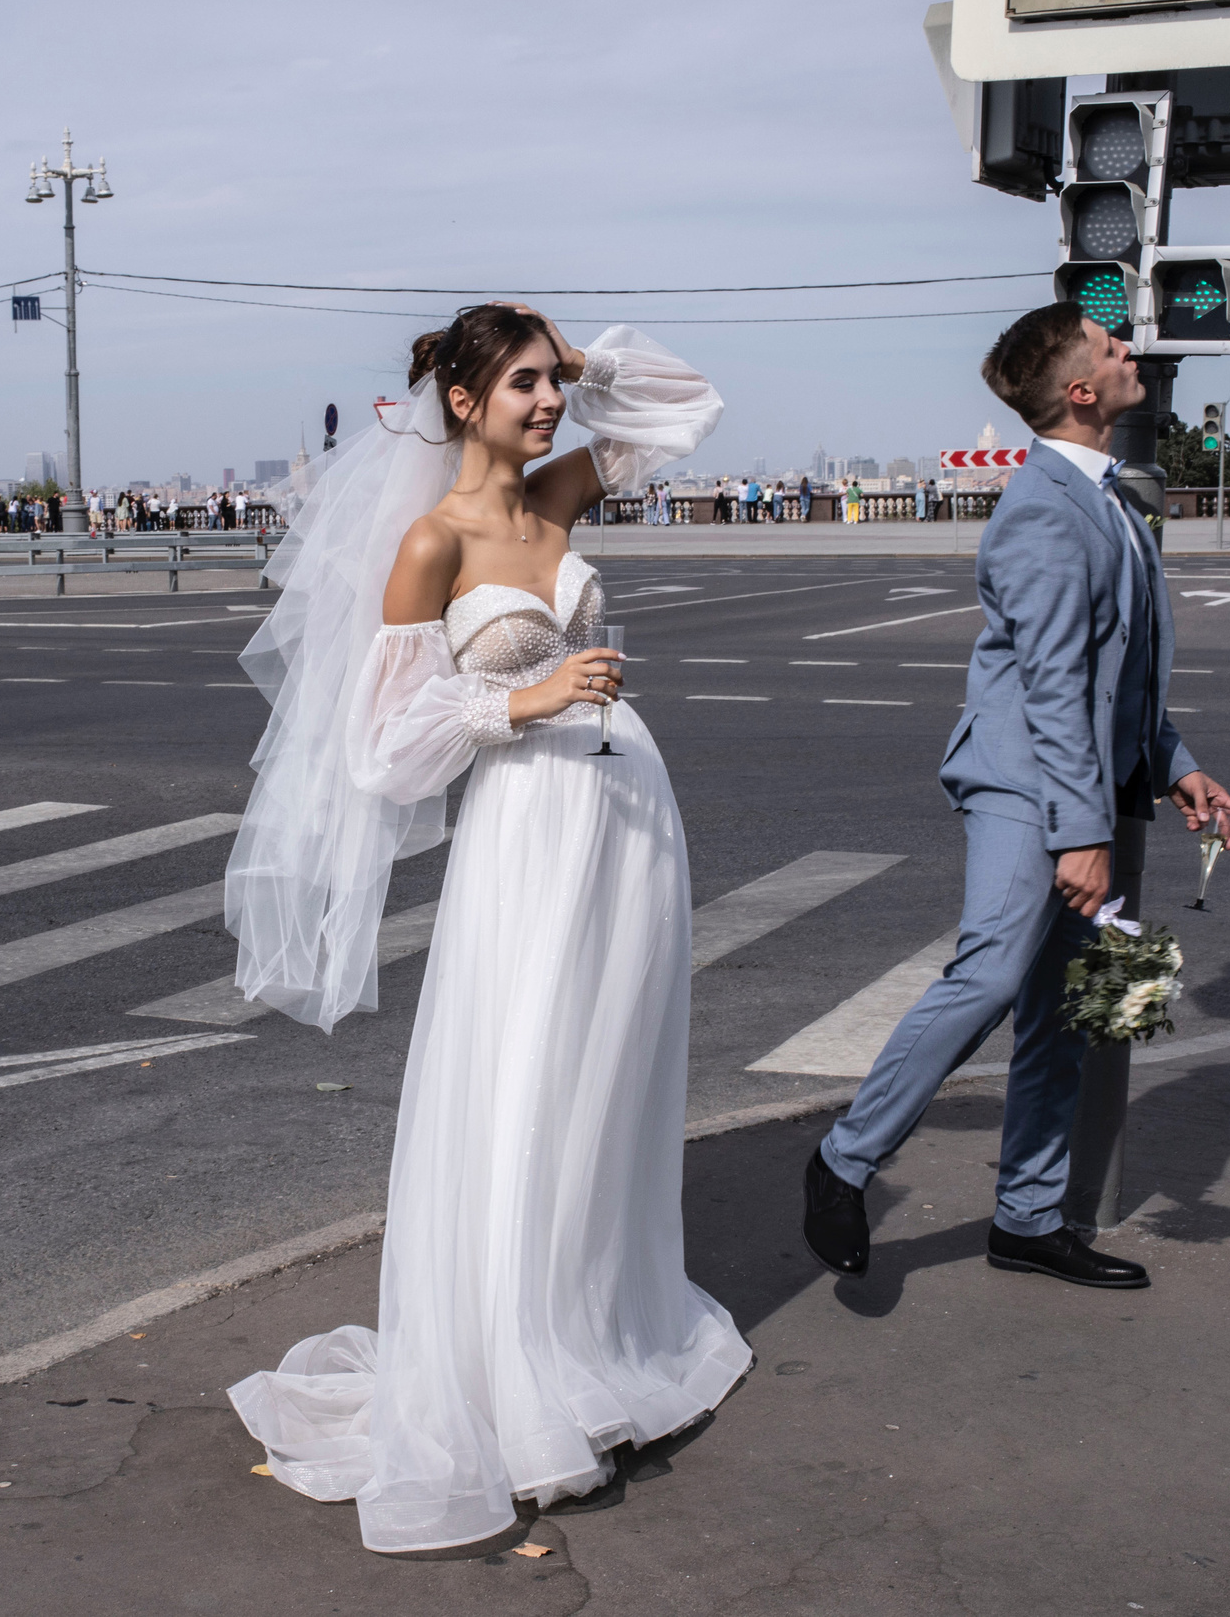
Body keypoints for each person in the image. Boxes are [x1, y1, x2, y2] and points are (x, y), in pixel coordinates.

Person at [225, 304, 745, 1553]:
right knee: (525, 1083)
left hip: (628, 813)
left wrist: (576, 347)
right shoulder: (431, 540)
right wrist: (527, 694)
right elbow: (383, 750)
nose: (549, 403)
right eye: (521, 384)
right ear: (462, 403)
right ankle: (516, 1376)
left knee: (607, 1079)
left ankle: (592, 1330)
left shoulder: (561, 494)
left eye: (551, 384)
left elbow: (686, 405)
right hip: (527, 831)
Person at [801, 302, 1230, 1293]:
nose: (1132, 351)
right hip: (1024, 786)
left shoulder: (1110, 501)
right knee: (992, 977)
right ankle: (843, 1160)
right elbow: (1050, 686)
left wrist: (1179, 766)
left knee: (1070, 1012)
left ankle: (1029, 1218)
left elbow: (1115, 676)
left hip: (1091, 784)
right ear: (1081, 392)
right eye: (1112, 348)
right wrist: (1078, 834)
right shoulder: (1044, 507)